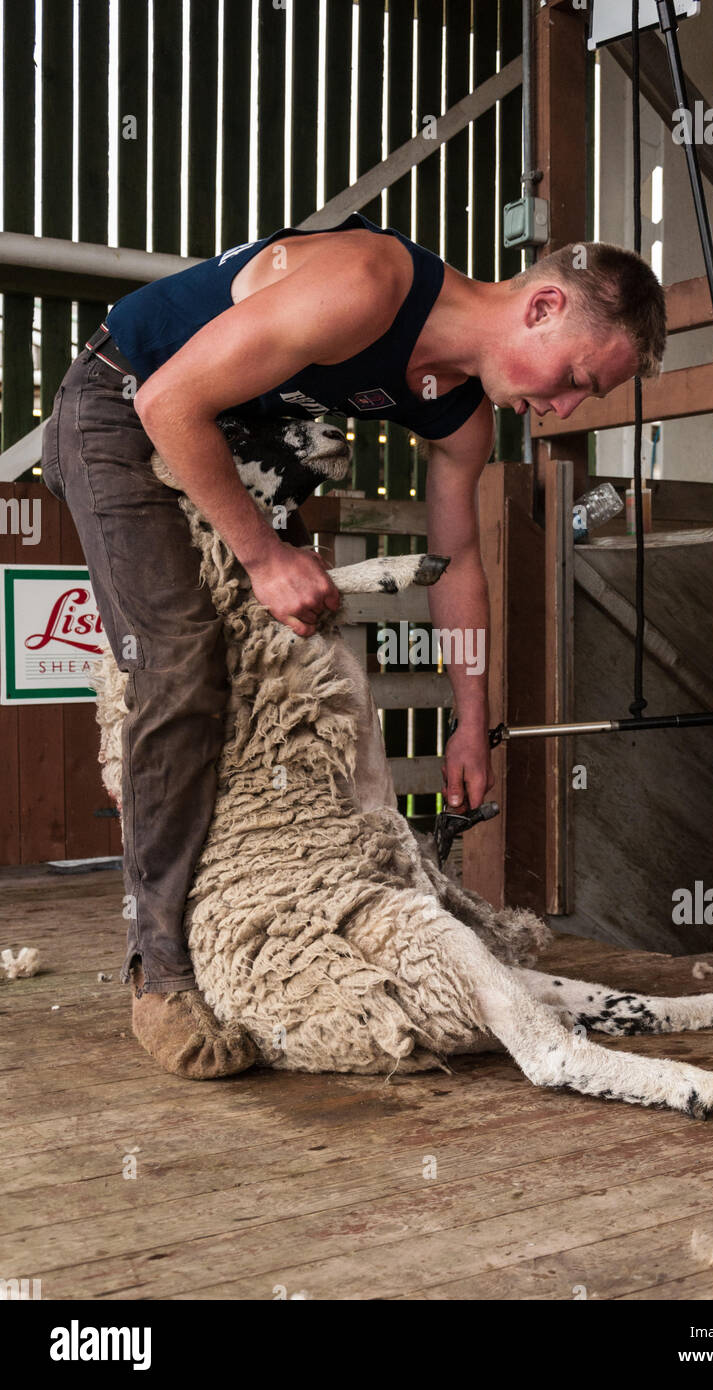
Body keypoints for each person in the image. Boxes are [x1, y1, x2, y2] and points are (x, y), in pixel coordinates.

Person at [40, 212, 666, 1079]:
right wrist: (262, 556)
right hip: (125, 405)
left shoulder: (463, 417)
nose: (560, 408)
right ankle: (160, 970)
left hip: (236, 439)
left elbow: (457, 565)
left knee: (295, 670)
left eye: (579, 401)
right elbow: (167, 401)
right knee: (181, 659)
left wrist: (470, 720)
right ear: (542, 307)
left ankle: (271, 927)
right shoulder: (367, 285)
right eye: (572, 379)